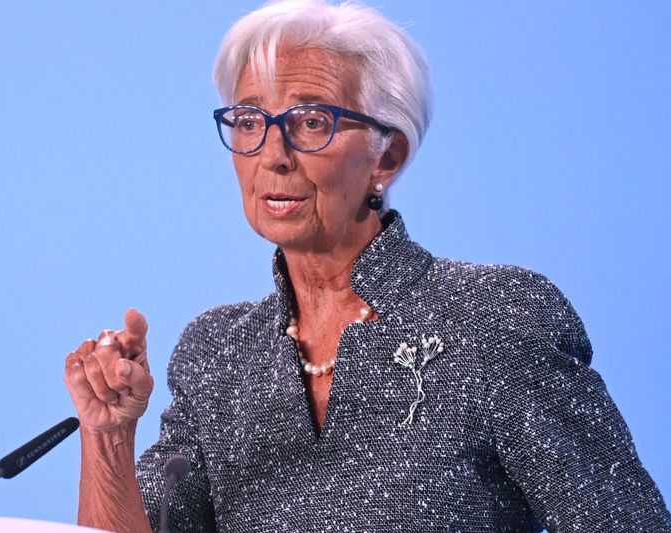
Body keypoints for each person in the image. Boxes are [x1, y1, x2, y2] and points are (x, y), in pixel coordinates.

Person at [63, 1, 671, 531]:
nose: (273, 155)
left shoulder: (495, 318)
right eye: (249, 120)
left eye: (310, 122)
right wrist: (109, 435)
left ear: (388, 155)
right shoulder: (216, 354)